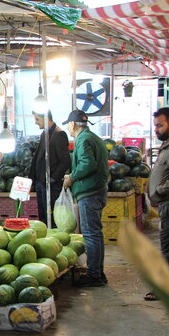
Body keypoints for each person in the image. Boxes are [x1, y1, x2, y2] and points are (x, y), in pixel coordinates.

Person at [62, 110, 109, 287]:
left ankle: (95, 275)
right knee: (95, 234)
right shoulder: (93, 137)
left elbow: (87, 164)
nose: (68, 127)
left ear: (73, 124)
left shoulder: (83, 139)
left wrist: (71, 177)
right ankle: (98, 273)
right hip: (97, 190)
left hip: (89, 193)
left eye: (68, 124)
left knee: (91, 234)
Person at [146, 107, 169, 301]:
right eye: (155, 125)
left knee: (168, 247)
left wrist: (159, 191)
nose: (156, 129)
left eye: (160, 125)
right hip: (166, 205)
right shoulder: (168, 145)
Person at [29, 111, 72, 226]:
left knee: (52, 218)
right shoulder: (44, 134)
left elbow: (65, 161)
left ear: (46, 118)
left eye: (37, 119)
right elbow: (38, 157)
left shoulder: (59, 134)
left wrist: (53, 179)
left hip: (51, 185)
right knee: (43, 216)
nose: (36, 123)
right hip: (41, 183)